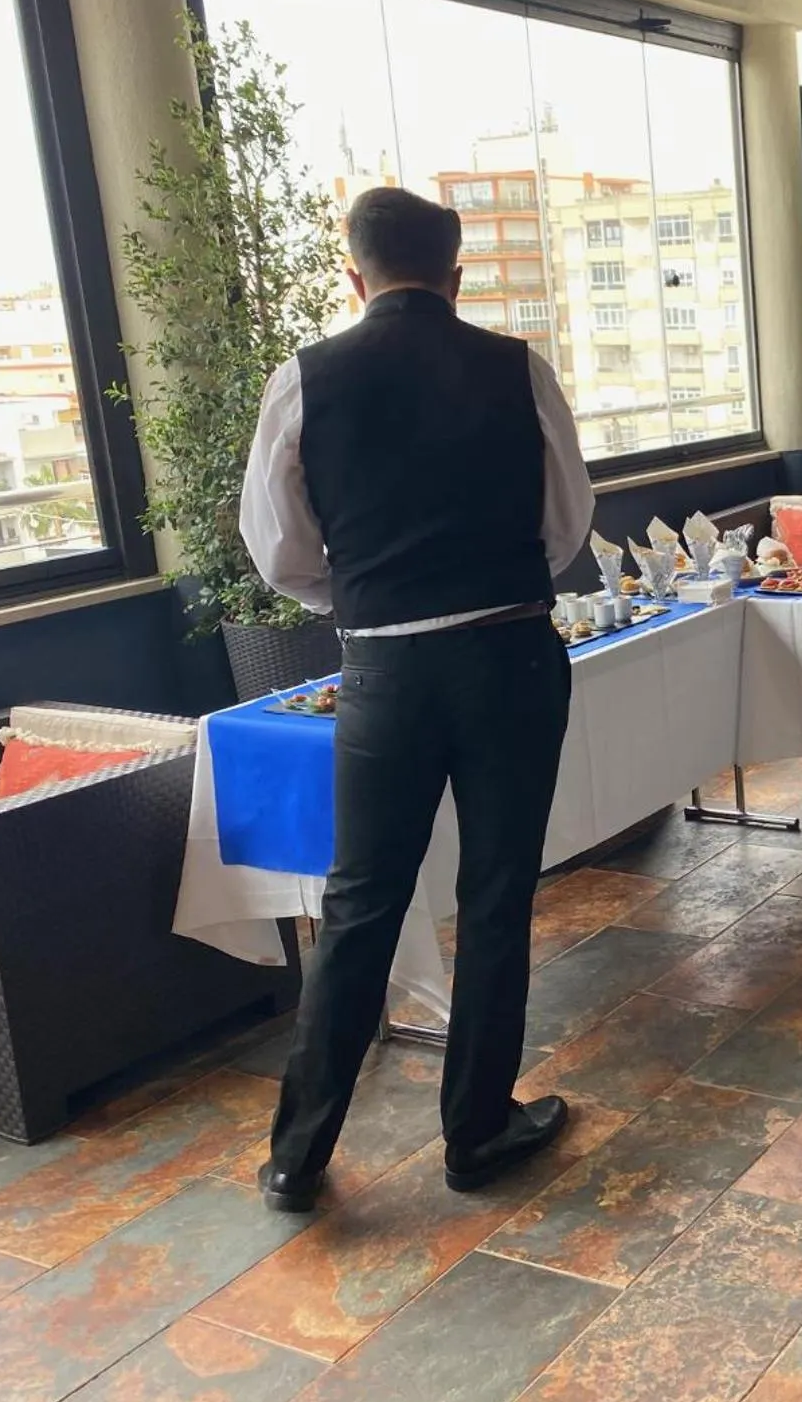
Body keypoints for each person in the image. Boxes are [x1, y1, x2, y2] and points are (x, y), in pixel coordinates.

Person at [241, 185, 594, 1212]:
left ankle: (296, 1159)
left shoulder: (304, 380)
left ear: (354, 276)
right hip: (510, 657)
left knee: (358, 906)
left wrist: (369, 596)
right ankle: (477, 1132)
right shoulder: (515, 367)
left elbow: (282, 553)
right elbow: (564, 524)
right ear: (457, 274)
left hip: (384, 671)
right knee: (495, 896)